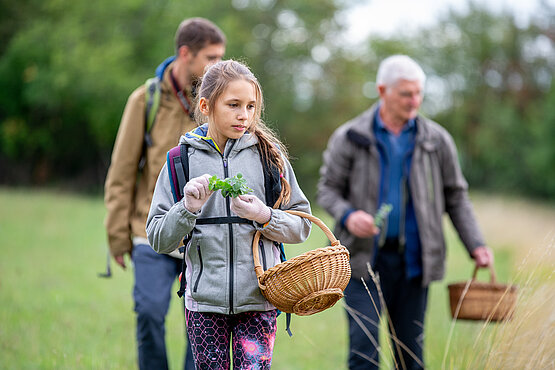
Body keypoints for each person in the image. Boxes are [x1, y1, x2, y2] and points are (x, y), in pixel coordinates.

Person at [317, 55, 494, 369]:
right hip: (360, 262)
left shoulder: (437, 141)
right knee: (363, 354)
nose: (414, 101)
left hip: (414, 263)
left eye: (418, 93)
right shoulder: (350, 136)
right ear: (382, 90)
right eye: (405, 94)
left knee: (410, 357)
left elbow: (456, 197)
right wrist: (348, 215)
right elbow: (327, 189)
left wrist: (476, 245)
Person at [146, 59, 311, 369]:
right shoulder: (179, 161)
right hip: (204, 306)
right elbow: (156, 238)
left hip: (260, 300)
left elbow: (302, 227)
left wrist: (265, 215)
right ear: (206, 106)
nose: (244, 115)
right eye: (233, 105)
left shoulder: (270, 158)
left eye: (251, 106)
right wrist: (187, 208)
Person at [104, 18, 226, 370]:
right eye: (211, 57)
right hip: (150, 230)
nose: (218, 66)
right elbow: (122, 173)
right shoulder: (146, 100)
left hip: (203, 236)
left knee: (201, 328)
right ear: (185, 54)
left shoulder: (218, 102)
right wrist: (117, 236)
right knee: (149, 312)